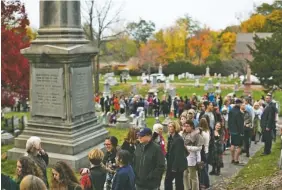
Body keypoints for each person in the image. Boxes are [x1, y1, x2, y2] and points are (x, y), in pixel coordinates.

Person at [181, 120, 204, 190]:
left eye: (187, 126)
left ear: (192, 126)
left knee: (193, 177)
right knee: (185, 175)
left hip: (192, 158)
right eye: (185, 126)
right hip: (184, 158)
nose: (186, 128)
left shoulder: (197, 135)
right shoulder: (184, 134)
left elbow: (200, 147)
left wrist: (188, 148)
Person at [165, 121, 187, 190]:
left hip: (177, 165)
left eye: (171, 126)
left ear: (175, 128)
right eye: (168, 126)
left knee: (178, 182)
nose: (169, 128)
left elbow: (178, 154)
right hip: (171, 163)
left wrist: (174, 168)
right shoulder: (171, 137)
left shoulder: (178, 139)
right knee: (169, 181)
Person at [228, 99, 244, 165]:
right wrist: (242, 132)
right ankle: (236, 160)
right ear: (239, 104)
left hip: (232, 130)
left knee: (232, 145)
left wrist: (230, 129)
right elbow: (240, 123)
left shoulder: (231, 111)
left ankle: (232, 159)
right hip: (238, 131)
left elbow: (229, 121)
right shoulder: (239, 112)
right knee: (239, 146)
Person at [199, 118, 210, 189]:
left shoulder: (202, 133)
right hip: (207, 150)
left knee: (202, 169)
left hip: (202, 151)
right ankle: (206, 183)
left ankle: (204, 183)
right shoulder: (207, 131)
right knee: (205, 168)